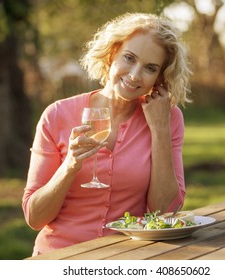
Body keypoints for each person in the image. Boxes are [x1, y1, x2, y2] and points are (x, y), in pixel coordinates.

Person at [22, 12, 192, 256]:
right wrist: (70, 165)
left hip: (129, 258)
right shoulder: (57, 114)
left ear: (160, 77)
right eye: (129, 58)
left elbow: (166, 212)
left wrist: (160, 129)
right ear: (112, 54)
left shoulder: (168, 117)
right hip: (59, 257)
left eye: (150, 68)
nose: (134, 75)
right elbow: (35, 217)